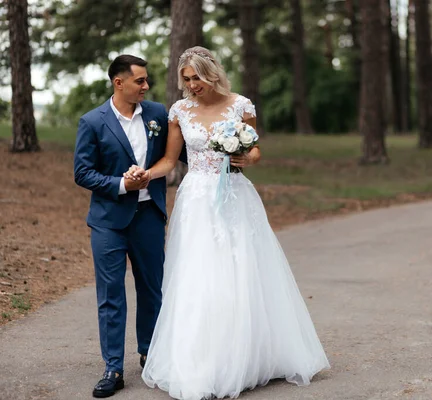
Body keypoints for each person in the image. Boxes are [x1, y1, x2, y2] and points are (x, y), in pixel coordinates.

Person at [130, 46, 330, 400]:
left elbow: (255, 150)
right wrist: (146, 174)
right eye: (186, 80)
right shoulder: (180, 111)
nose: (192, 85)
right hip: (196, 200)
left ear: (213, 73)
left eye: (197, 78)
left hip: (235, 196)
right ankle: (203, 358)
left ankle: (250, 355)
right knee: (199, 272)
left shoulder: (241, 105)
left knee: (243, 270)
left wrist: (245, 157)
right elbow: (170, 160)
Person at [74, 55, 172, 398]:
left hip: (148, 217)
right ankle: (113, 367)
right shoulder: (92, 121)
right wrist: (120, 184)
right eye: (140, 81)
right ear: (119, 83)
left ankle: (151, 355)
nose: (146, 87)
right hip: (108, 222)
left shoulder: (159, 114)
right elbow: (82, 172)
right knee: (111, 295)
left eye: (146, 81)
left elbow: (180, 152)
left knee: (152, 289)